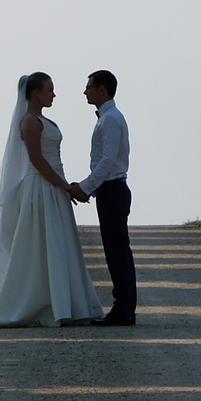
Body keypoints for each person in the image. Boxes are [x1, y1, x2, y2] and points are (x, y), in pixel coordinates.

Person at [0, 72, 104, 328]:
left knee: (59, 244)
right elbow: (36, 159)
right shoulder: (29, 122)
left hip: (53, 187)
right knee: (44, 244)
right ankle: (44, 303)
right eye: (49, 89)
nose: (53, 94)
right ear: (35, 93)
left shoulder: (43, 120)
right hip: (41, 189)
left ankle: (67, 303)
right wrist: (64, 186)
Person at [63, 70, 135, 325]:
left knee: (117, 251)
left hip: (112, 188)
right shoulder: (108, 118)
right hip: (110, 188)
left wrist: (85, 187)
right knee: (118, 250)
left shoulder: (111, 119)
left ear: (102, 89)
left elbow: (107, 161)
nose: (85, 91)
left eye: (89, 86)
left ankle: (123, 309)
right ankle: (125, 307)